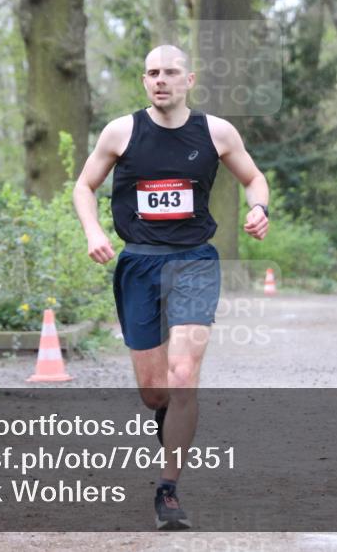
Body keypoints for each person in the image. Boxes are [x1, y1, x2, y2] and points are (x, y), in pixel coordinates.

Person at [73, 44, 270, 530]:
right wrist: (94, 232)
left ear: (190, 79)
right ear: (145, 81)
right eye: (152, 73)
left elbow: (254, 178)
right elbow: (84, 186)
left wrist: (258, 208)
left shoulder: (217, 132)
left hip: (194, 263)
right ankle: (169, 422)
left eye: (171, 72)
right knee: (154, 393)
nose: (161, 80)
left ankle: (168, 488)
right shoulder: (120, 132)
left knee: (183, 375)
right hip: (139, 263)